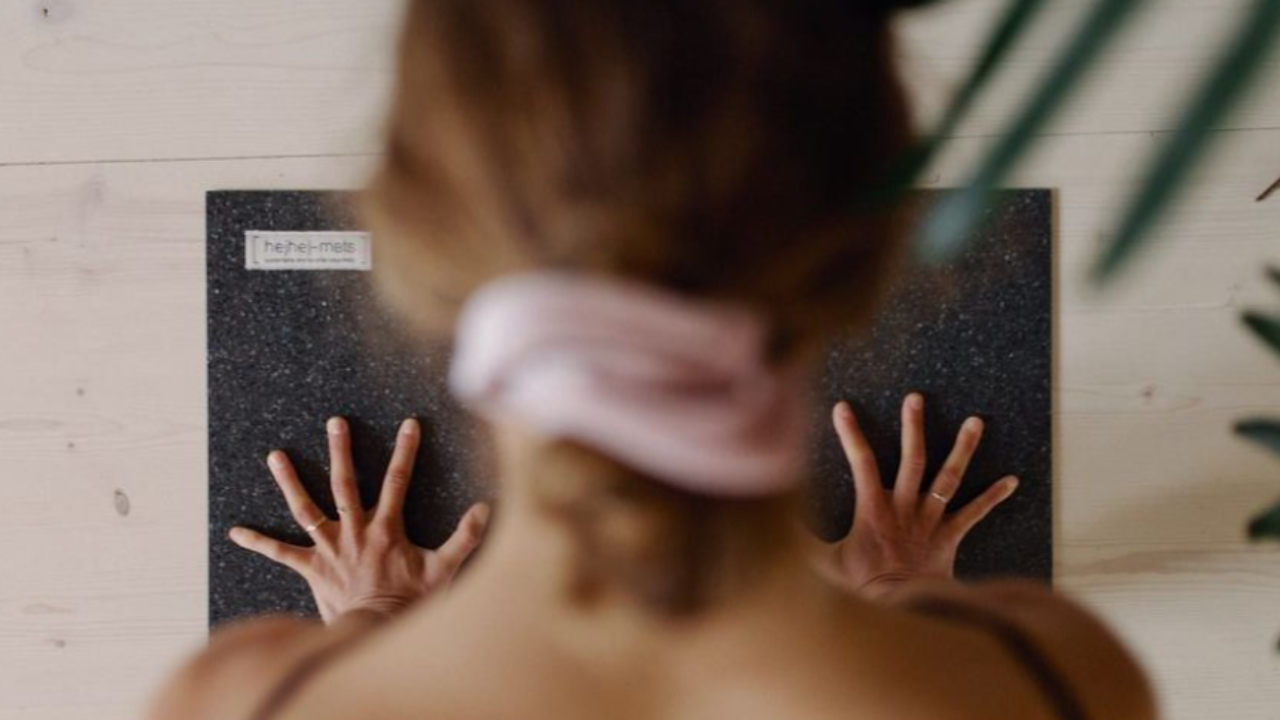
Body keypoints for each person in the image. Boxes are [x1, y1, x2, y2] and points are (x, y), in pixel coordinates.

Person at [149, 1, 1156, 719]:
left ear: (414, 241)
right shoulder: (1055, 680)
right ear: (872, 254)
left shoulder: (241, 701)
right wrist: (899, 588)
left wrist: (371, 622)